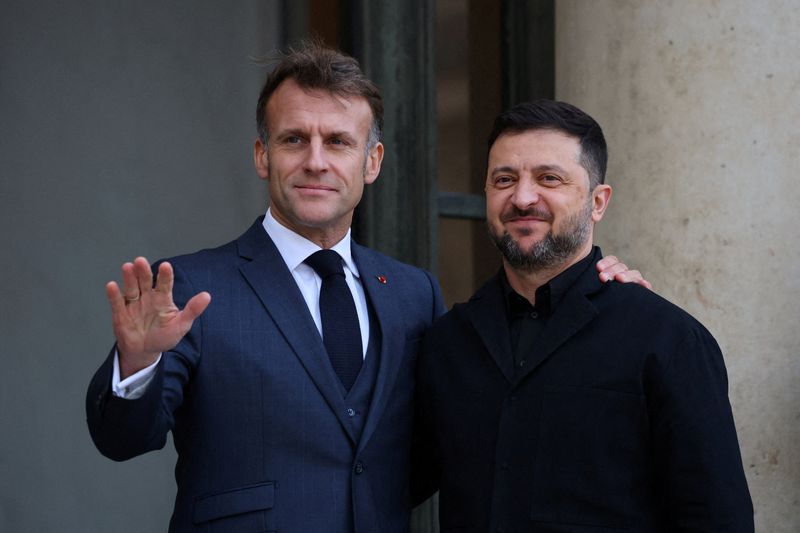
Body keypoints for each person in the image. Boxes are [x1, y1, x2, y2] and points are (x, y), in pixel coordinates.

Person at [86, 43, 645, 533]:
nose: (315, 161)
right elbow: (123, 440)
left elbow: (459, 428)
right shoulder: (187, 287)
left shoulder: (412, 293)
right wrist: (136, 364)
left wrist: (593, 294)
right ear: (262, 155)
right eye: (292, 139)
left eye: (337, 141)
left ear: (371, 161)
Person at [414, 100, 754, 532]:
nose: (521, 197)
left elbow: (717, 519)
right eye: (504, 179)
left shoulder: (668, 340)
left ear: (598, 202)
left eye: (548, 178)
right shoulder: (450, 341)